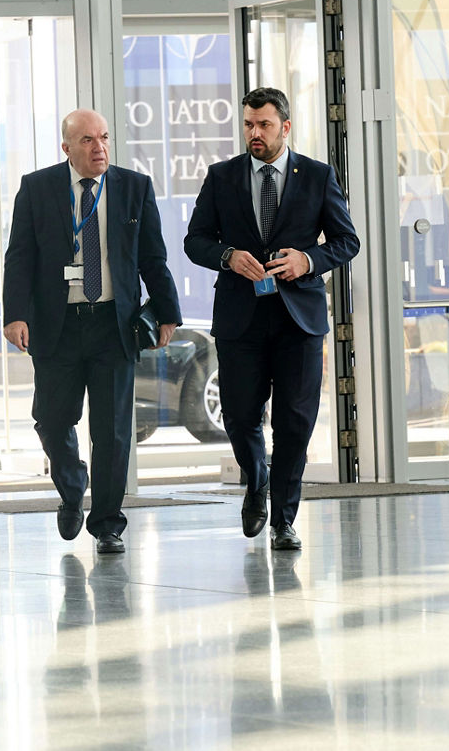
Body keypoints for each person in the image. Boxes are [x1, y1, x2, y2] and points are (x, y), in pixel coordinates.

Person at [184, 88, 359, 552]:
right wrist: (227, 256)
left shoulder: (318, 176)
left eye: (263, 125)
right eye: (248, 124)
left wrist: (308, 260)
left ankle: (283, 519)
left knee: (294, 424)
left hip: (298, 320)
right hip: (241, 320)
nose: (254, 133)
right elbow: (195, 240)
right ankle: (257, 479)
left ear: (285, 126)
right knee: (241, 417)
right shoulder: (222, 177)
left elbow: (347, 241)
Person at [2, 108, 181, 554]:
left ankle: (107, 524)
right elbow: (19, 257)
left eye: (103, 138)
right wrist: (14, 315)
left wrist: (167, 312)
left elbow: (152, 257)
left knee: (114, 430)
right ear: (67, 148)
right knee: (52, 419)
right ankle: (71, 485)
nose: (98, 147)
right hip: (57, 325)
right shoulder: (37, 188)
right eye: (86, 140)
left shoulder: (133, 187)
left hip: (111, 325)